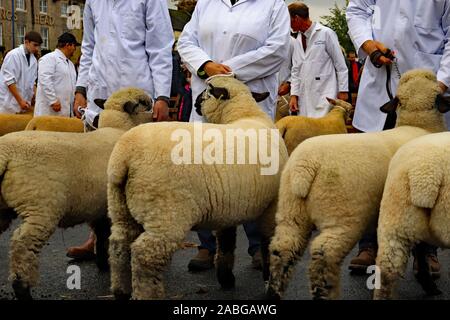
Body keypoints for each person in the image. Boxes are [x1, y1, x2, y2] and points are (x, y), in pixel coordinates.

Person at [177, 0, 290, 271]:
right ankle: (207, 245)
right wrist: (205, 65)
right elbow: (186, 42)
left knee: (254, 173)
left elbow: (277, 50)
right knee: (205, 170)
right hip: (208, 101)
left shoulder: (273, 5)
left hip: (249, 104)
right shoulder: (206, 3)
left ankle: (258, 245)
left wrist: (227, 70)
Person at [346, 0, 450, 276]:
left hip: (426, 93)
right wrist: (368, 45)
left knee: (424, 175)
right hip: (383, 82)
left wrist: (439, 84)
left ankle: (425, 250)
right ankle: (369, 245)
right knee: (373, 172)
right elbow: (357, 10)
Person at [67, 0, 174, 260]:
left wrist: (162, 96)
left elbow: (160, 47)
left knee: (141, 172)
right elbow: (89, 46)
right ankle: (98, 237)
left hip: (136, 97)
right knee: (99, 171)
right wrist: (81, 89)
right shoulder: (94, 1)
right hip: (100, 95)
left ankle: (146, 238)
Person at [288, 2, 348, 118]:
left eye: (288, 20)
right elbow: (295, 69)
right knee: (306, 131)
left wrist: (343, 91)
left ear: (296, 18)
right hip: (304, 97)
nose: (288, 25)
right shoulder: (298, 40)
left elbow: (340, 65)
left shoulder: (326, 34)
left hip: (325, 93)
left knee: (325, 132)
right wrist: (293, 95)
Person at [34, 32, 79, 117]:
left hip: (65, 111)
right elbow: (45, 79)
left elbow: (72, 86)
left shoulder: (70, 64)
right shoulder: (49, 58)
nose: (75, 49)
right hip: (49, 111)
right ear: (68, 45)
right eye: (74, 46)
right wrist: (52, 100)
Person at [0, 31, 42, 114]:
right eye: (35, 45)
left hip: (24, 104)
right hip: (8, 104)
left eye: (38, 46)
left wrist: (37, 98)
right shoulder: (13, 55)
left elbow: (32, 83)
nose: (37, 48)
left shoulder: (33, 60)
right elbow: (9, 81)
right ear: (26, 42)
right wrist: (20, 101)